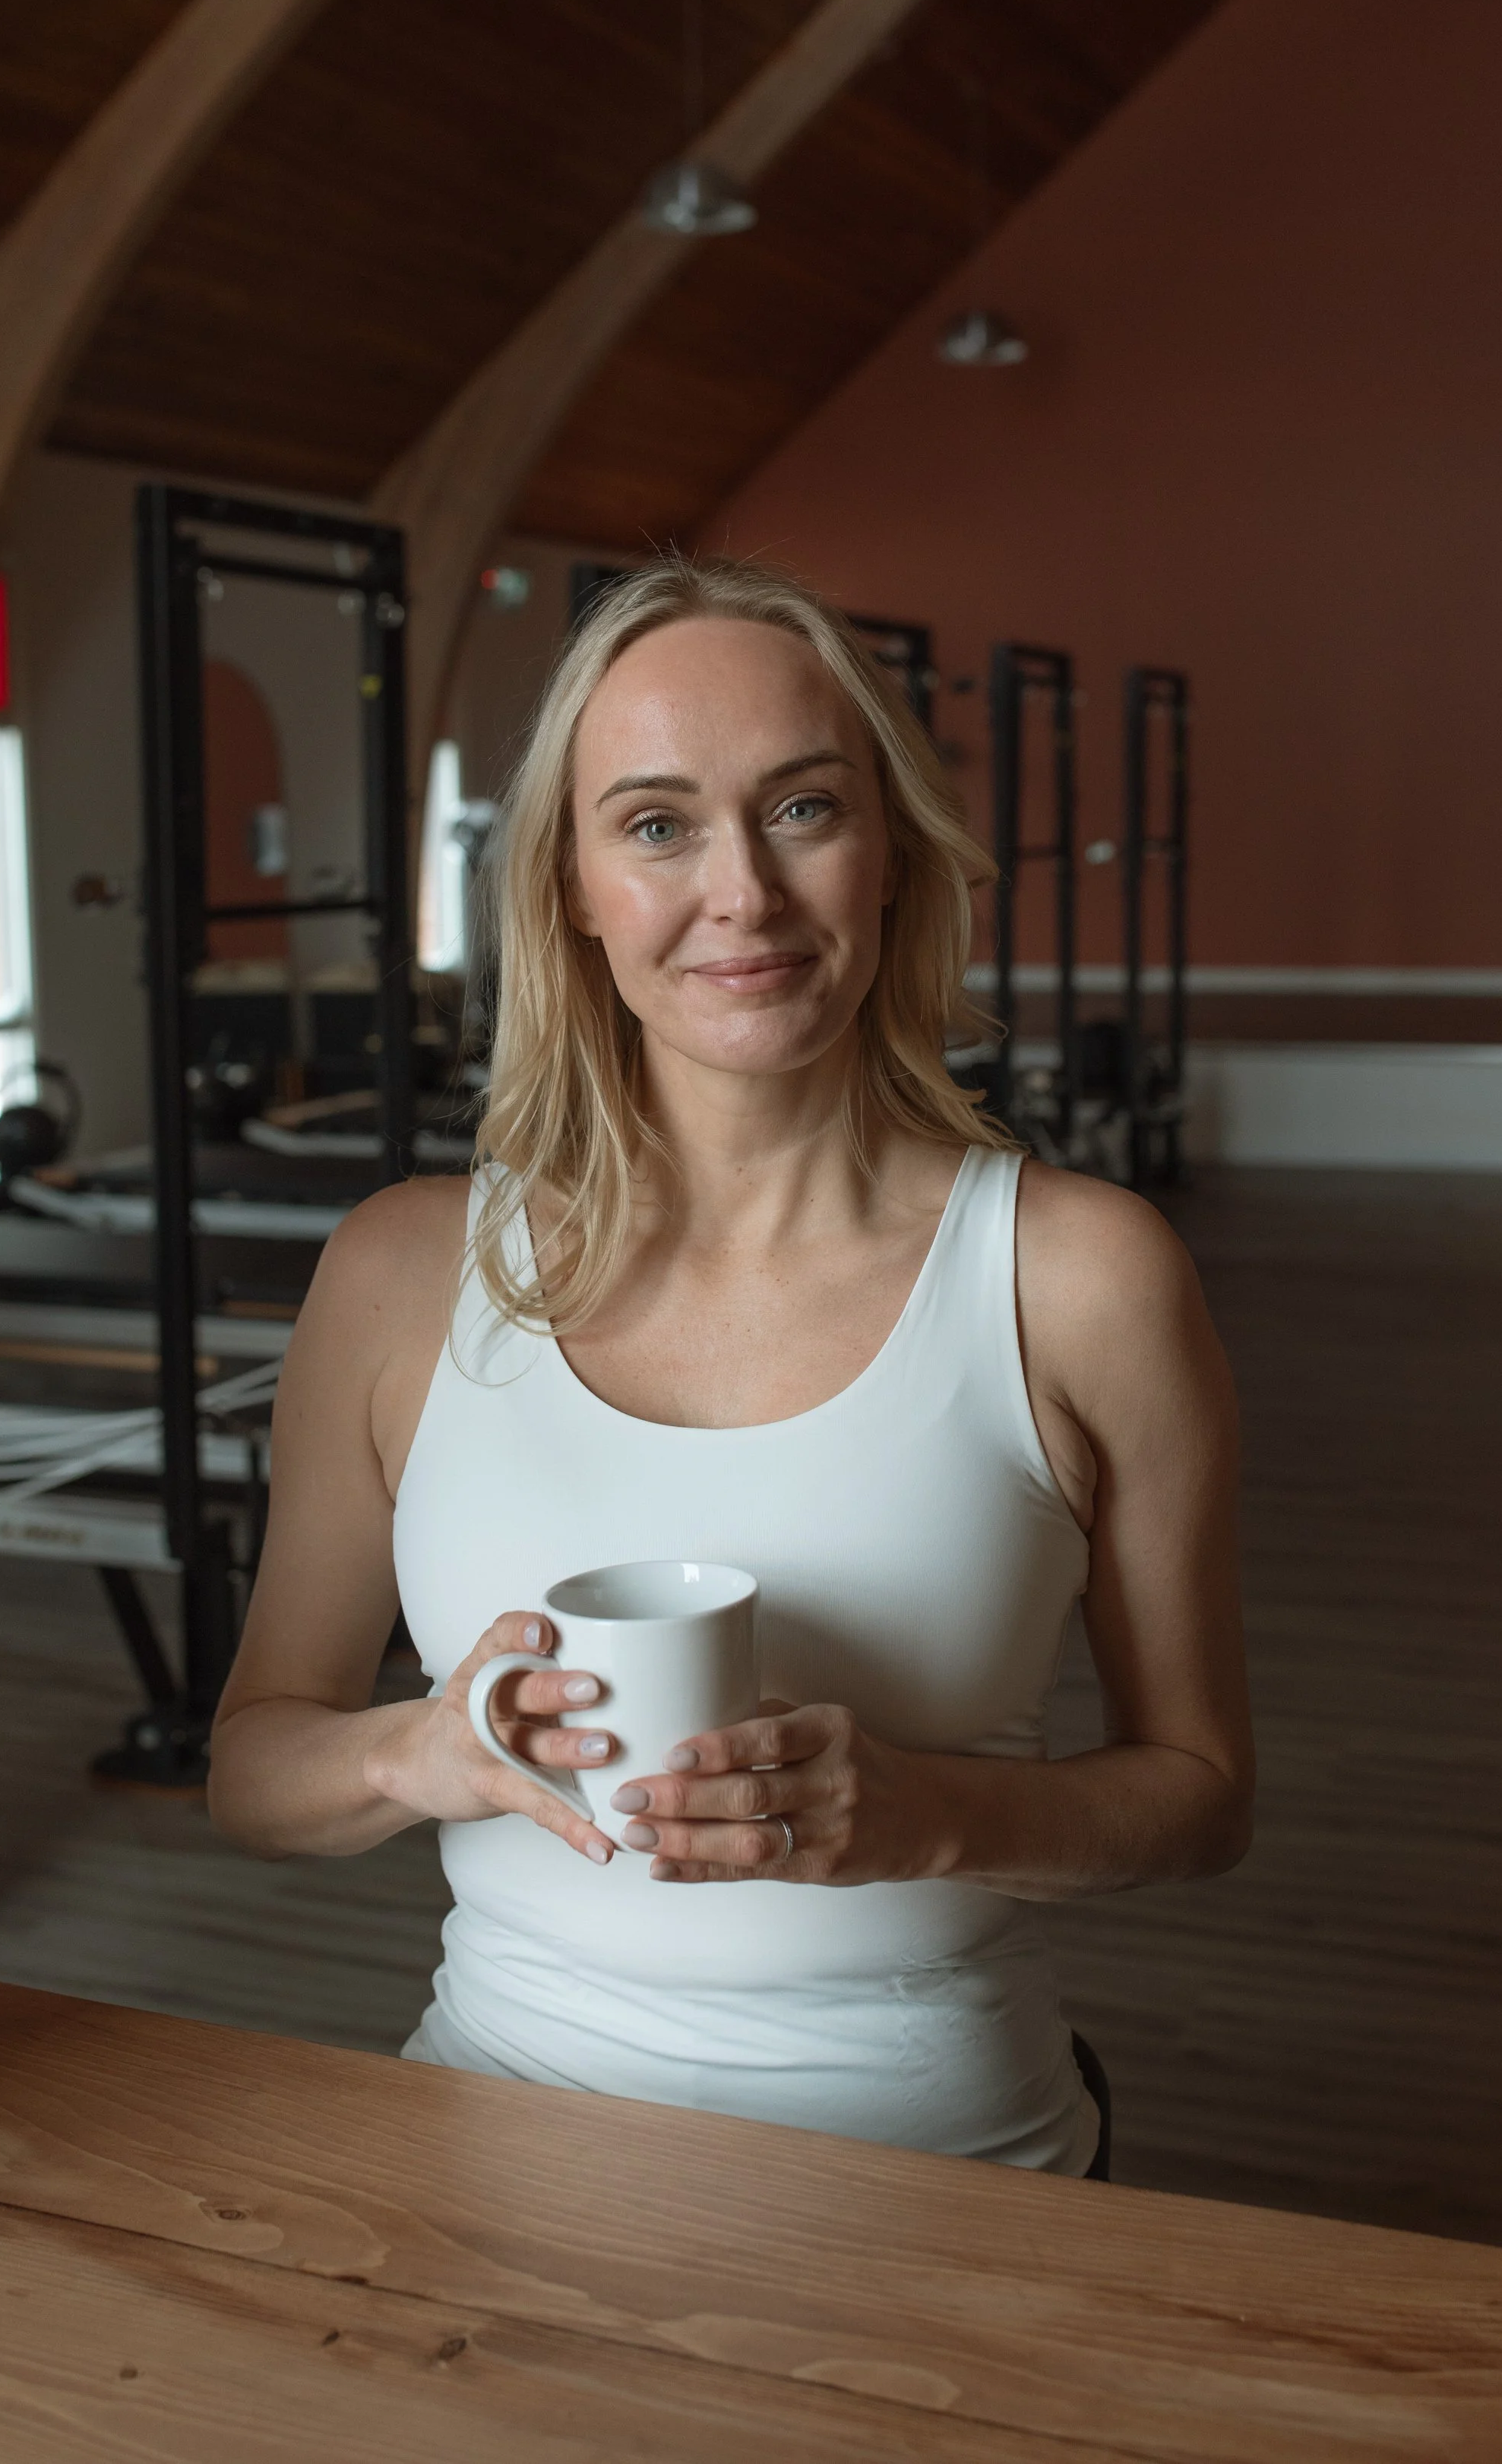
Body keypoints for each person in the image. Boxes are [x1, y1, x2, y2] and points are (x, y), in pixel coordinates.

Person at [208, 555, 1252, 2176]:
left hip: (942, 2170)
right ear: (568, 885)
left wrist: (920, 1811)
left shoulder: (1080, 1277)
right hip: (483, 2133)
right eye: (653, 825)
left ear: (889, 852)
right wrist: (420, 1752)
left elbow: (1198, 1796)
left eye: (800, 810)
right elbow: (252, 1773)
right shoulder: (402, 1274)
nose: (741, 898)